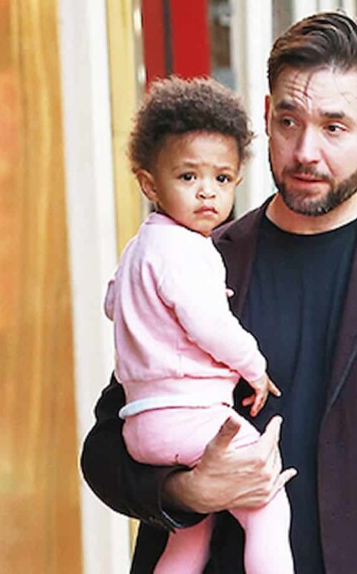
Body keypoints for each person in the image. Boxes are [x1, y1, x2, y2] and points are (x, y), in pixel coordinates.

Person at [80, 11, 357, 574]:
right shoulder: (197, 261)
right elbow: (105, 447)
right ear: (267, 116)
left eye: (335, 127)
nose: (305, 152)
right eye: (289, 122)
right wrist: (190, 491)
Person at [103, 76, 292, 574]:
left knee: (190, 533)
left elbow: (112, 303)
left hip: (144, 424)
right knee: (267, 499)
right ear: (150, 184)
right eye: (188, 178)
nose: (207, 192)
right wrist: (254, 366)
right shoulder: (186, 249)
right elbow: (210, 326)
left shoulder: (141, 247)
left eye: (222, 179)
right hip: (190, 417)